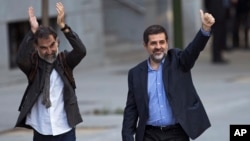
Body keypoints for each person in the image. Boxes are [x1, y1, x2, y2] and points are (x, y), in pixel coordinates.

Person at [122, 10, 215, 141]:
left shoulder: (178, 61)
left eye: (162, 42)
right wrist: (127, 136)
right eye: (153, 43)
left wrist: (205, 29)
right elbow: (131, 109)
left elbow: (193, 50)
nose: (158, 47)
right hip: (149, 135)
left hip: (176, 133)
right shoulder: (136, 73)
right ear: (145, 45)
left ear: (167, 43)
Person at [15, 2, 86, 141]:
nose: (49, 51)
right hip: (41, 129)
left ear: (57, 42)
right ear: (36, 47)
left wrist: (63, 27)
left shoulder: (64, 60)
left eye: (52, 45)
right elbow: (20, 59)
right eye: (44, 48)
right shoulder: (34, 64)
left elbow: (81, 51)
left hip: (65, 127)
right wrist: (32, 32)